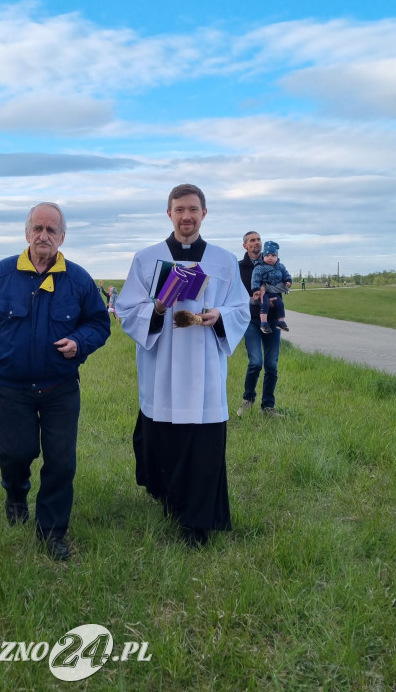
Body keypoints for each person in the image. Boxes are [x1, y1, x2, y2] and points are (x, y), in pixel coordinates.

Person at [0, 202, 110, 560]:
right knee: (15, 452)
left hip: (60, 389)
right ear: (27, 233)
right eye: (37, 228)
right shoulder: (0, 275)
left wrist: (80, 342)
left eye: (51, 230)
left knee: (61, 462)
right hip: (13, 388)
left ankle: (52, 532)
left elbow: (99, 323)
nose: (44, 236)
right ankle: (15, 493)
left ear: (62, 236)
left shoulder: (77, 279)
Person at [116, 184, 249, 547]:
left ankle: (197, 522)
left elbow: (241, 308)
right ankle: (169, 501)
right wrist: (157, 308)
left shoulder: (222, 261)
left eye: (193, 209)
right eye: (179, 209)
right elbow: (126, 309)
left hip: (205, 368)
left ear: (204, 213)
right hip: (162, 367)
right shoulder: (147, 258)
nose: (186, 216)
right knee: (162, 440)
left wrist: (218, 314)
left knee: (204, 446)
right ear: (169, 213)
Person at [237, 232, 284, 418]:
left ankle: (268, 407)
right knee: (256, 362)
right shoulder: (239, 268)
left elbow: (285, 287)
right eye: (252, 240)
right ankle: (247, 400)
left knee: (271, 365)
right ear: (245, 246)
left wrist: (268, 291)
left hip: (272, 321)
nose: (257, 243)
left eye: (258, 240)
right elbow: (237, 297)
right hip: (251, 321)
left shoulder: (274, 264)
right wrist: (257, 300)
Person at [251, 241, 292, 333]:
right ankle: (264, 323)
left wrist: (288, 281)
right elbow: (255, 279)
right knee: (264, 304)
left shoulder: (280, 267)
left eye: (273, 255)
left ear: (277, 257)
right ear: (263, 256)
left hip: (274, 292)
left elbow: (286, 274)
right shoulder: (260, 267)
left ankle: (281, 321)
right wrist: (256, 290)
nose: (270, 258)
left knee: (280, 304)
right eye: (267, 255)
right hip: (263, 293)